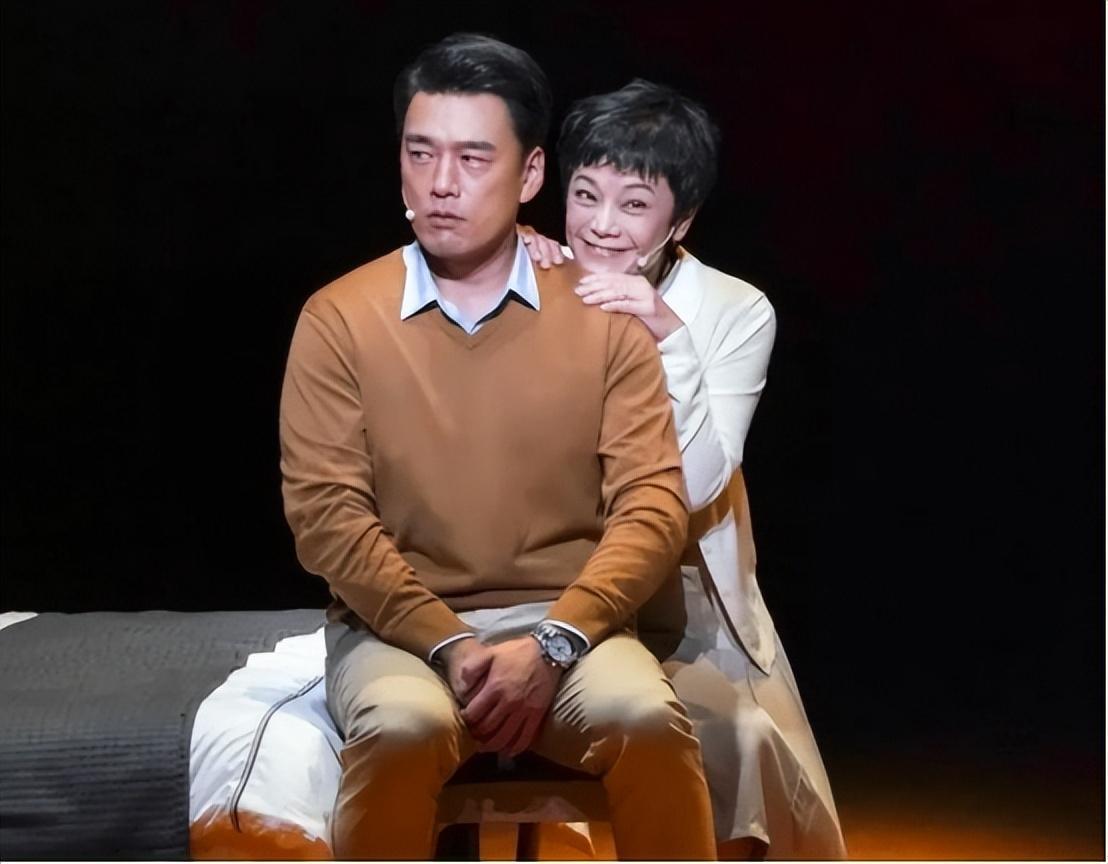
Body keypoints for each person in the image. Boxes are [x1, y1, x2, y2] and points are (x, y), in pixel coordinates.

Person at [279, 37, 717, 860]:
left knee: (648, 720)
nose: (441, 183)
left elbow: (653, 506)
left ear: (530, 174)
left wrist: (556, 641)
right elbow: (326, 516)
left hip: (571, 628)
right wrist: (448, 641)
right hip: (399, 633)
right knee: (401, 727)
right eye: (421, 153)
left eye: (473, 158)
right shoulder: (339, 318)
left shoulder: (602, 316)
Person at [522, 79, 848, 859]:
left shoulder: (734, 309)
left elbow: (699, 484)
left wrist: (667, 335)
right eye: (585, 195)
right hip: (551, 571)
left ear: (682, 221)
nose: (601, 224)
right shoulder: (532, 279)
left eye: (634, 204)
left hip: (683, 582)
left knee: (740, 741)